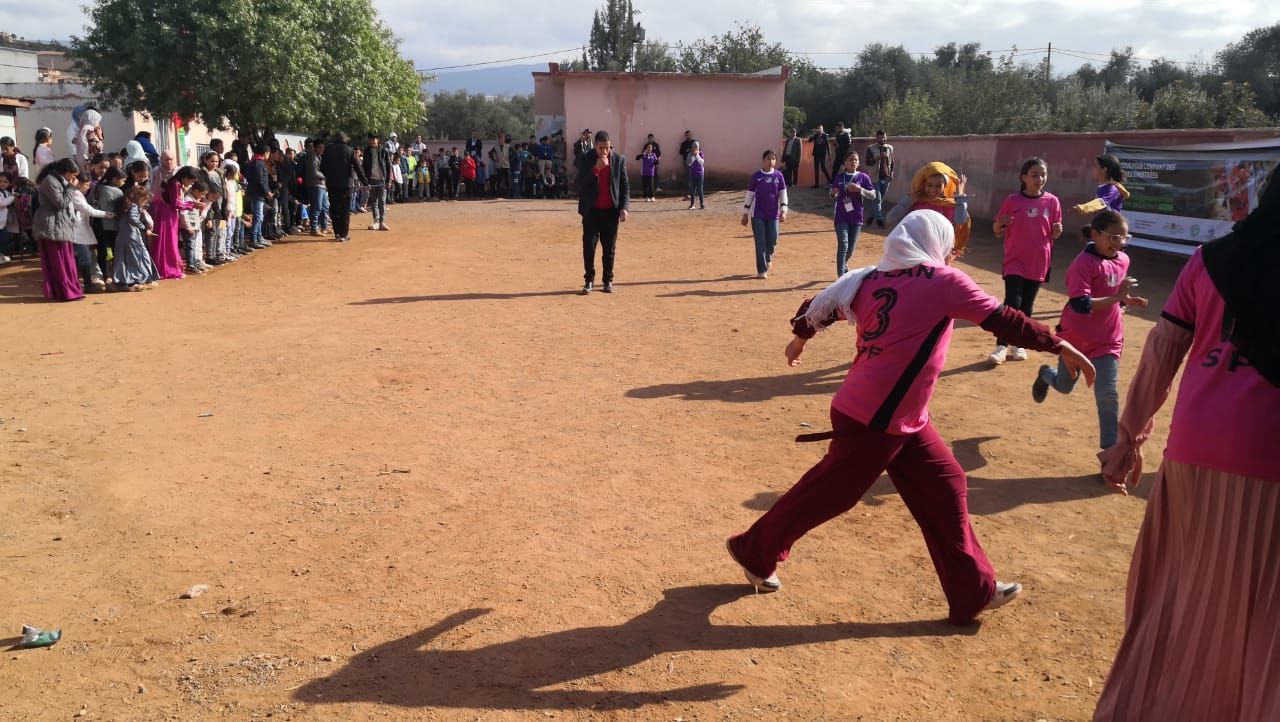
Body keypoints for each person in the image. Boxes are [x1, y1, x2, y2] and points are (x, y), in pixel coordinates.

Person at [725, 210, 1096, 623]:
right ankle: (753, 550)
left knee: (945, 484)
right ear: (936, 243)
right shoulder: (944, 283)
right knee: (828, 495)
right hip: (877, 418)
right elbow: (1005, 320)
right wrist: (1059, 345)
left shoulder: (869, 278)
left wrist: (799, 339)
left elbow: (819, 307)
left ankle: (973, 591)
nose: (953, 255)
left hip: (892, 412)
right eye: (950, 246)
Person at [1092, 168, 1280, 722]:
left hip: (1197, 448)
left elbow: (1163, 350)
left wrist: (1129, 437)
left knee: (1178, 595)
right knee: (1266, 616)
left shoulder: (1211, 260)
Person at [1032, 209, 1146, 458]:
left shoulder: (1123, 260)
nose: (1119, 243)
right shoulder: (1083, 264)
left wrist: (1124, 301)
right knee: (1063, 386)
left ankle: (1110, 453)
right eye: (1113, 237)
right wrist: (1116, 298)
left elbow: (1114, 294)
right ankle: (1045, 374)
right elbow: (1081, 305)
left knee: (1108, 393)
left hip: (1108, 339)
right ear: (1095, 234)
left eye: (1124, 238)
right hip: (1075, 341)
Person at [990, 157, 1063, 365]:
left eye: (1043, 175)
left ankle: (1018, 343)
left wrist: (1057, 231)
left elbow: (1054, 231)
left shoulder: (1052, 201)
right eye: (1034, 175)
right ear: (1023, 178)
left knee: (1027, 307)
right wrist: (1000, 224)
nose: (1039, 179)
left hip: (1039, 261)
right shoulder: (1012, 201)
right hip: (1015, 260)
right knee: (1013, 303)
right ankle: (1001, 346)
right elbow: (997, 230)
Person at [576, 130, 630, 295]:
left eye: (607, 148)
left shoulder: (619, 160)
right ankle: (589, 281)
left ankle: (607, 281)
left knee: (609, 248)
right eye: (600, 148)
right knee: (589, 247)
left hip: (610, 212)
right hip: (592, 211)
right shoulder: (586, 159)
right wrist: (596, 170)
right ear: (595, 147)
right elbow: (580, 184)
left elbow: (624, 186)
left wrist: (624, 208)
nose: (604, 152)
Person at [884, 162, 972, 255]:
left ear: (945, 186)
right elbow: (890, 219)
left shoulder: (948, 205)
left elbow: (960, 220)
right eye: (929, 185)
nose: (933, 189)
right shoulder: (915, 201)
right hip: (915, 249)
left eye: (938, 186)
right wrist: (908, 202)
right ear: (923, 184)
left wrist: (960, 196)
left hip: (938, 251)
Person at [33, 158, 85, 301]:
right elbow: (60, 203)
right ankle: (64, 292)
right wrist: (71, 188)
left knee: (67, 261)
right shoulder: (49, 181)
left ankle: (71, 290)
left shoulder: (59, 180)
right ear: (65, 172)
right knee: (59, 263)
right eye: (72, 175)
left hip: (61, 225)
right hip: (51, 226)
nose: (73, 178)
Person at [741, 149, 788, 279]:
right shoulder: (756, 176)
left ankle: (768, 257)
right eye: (768, 158)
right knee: (760, 242)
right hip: (758, 214)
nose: (770, 161)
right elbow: (749, 195)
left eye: (773, 159)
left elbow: (783, 193)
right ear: (763, 161)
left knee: (773, 239)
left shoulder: (779, 176)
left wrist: (783, 210)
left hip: (773, 214)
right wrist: (745, 213)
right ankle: (761, 270)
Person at [829, 153, 877, 278]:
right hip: (841, 215)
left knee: (850, 248)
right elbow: (832, 192)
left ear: (859, 162)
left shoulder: (863, 177)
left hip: (856, 216)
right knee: (843, 244)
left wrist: (860, 189)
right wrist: (833, 193)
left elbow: (873, 195)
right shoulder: (840, 177)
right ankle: (840, 276)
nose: (853, 162)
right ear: (845, 162)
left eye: (856, 159)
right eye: (850, 160)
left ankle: (843, 264)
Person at [152, 166, 200, 278]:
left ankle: (164, 267)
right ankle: (169, 268)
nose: (191, 183)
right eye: (191, 180)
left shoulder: (175, 183)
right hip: (168, 214)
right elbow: (176, 203)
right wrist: (193, 205)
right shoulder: (176, 184)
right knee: (169, 242)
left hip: (167, 213)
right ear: (185, 177)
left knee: (168, 241)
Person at [320, 132, 368, 242]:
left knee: (334, 208)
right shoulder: (349, 150)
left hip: (332, 184)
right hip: (346, 184)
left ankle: (337, 233)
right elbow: (358, 167)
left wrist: (329, 177)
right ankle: (343, 234)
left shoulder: (328, 150)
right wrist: (365, 182)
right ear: (345, 140)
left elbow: (322, 167)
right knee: (345, 209)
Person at [69, 171, 111, 292]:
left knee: (79, 257)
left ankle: (78, 283)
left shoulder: (77, 194)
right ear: (79, 183)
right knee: (84, 258)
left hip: (79, 230)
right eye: (86, 185)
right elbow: (90, 211)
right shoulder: (76, 194)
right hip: (78, 231)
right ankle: (87, 284)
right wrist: (110, 215)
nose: (88, 188)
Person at [112, 183, 159, 291]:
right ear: (140, 198)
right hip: (132, 236)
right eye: (144, 200)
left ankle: (124, 280)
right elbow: (133, 219)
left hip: (123, 236)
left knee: (124, 258)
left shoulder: (125, 206)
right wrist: (144, 228)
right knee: (139, 256)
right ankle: (137, 278)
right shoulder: (133, 206)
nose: (145, 202)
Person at [864, 130, 896, 227]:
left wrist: (891, 174)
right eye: (880, 137)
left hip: (886, 178)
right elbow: (868, 162)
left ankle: (870, 217)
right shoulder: (871, 148)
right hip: (875, 178)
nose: (882, 139)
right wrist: (879, 157)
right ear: (876, 138)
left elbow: (892, 163)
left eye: (884, 137)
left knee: (879, 200)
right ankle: (880, 220)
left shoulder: (889, 148)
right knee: (877, 200)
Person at [363, 133, 392, 230]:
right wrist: (365, 182)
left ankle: (382, 222)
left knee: (382, 201)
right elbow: (364, 167)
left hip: (382, 180)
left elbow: (389, 166)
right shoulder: (366, 151)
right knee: (374, 202)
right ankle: (376, 221)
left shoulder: (384, 150)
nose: (373, 141)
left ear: (378, 140)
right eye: (371, 139)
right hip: (371, 180)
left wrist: (389, 180)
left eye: (375, 139)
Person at [686, 142, 706, 210]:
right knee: (692, 190)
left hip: (700, 174)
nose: (694, 148)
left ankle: (702, 204)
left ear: (698, 147)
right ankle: (692, 204)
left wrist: (697, 154)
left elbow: (701, 162)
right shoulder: (689, 154)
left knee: (700, 189)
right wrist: (693, 157)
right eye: (693, 147)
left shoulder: (701, 153)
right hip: (692, 174)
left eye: (696, 147)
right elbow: (689, 164)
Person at [679, 130, 697, 200]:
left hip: (694, 161)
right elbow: (680, 152)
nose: (688, 136)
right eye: (687, 135)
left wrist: (693, 151)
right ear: (685, 136)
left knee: (694, 176)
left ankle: (694, 193)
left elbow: (698, 151)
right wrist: (686, 151)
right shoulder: (683, 144)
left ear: (691, 135)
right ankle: (688, 193)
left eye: (689, 134)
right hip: (686, 161)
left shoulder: (695, 142)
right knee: (687, 177)